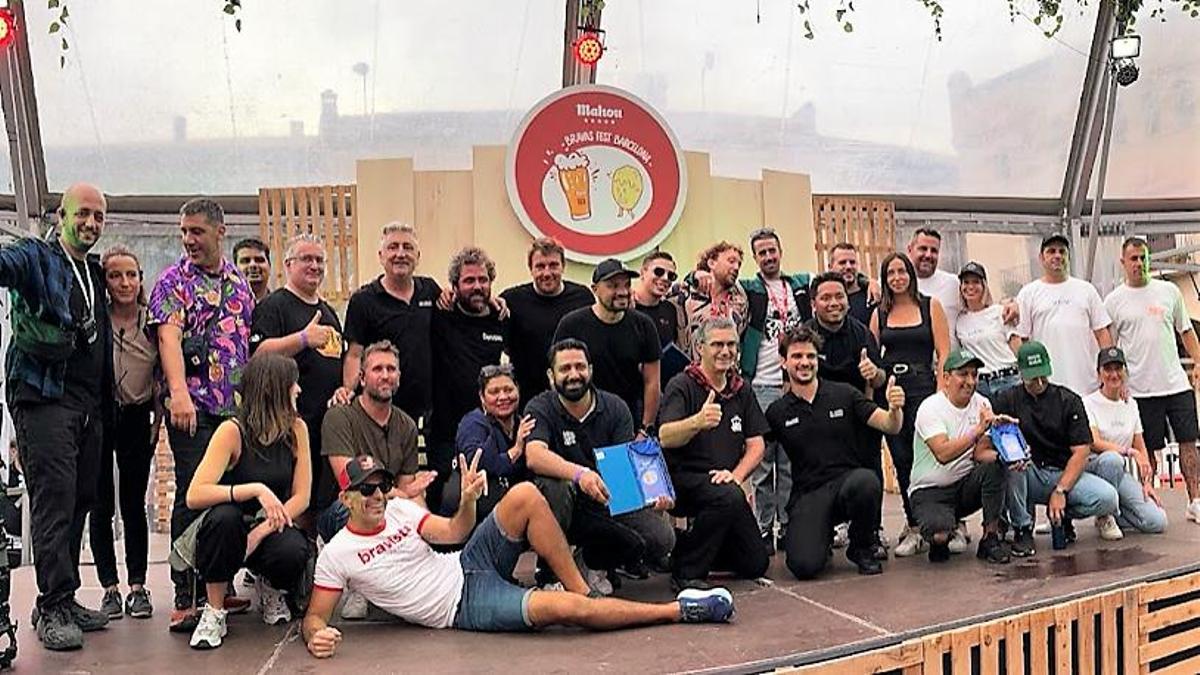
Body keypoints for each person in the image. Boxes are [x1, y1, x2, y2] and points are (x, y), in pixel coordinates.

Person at [302, 455, 734, 659]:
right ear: (346, 497)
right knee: (563, 611)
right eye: (366, 489)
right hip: (461, 606)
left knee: (525, 493)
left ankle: (585, 592)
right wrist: (315, 635)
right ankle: (678, 610)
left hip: (465, 561)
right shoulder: (339, 554)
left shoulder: (399, 507)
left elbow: (454, 531)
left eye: (381, 485)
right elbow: (315, 618)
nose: (377, 495)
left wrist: (469, 500)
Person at [1, 183, 113, 650]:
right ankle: (50, 608)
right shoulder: (36, 257)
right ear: (61, 214)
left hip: (87, 404)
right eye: (82, 214)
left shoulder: (92, 269)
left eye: (98, 217)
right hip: (43, 399)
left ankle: (62, 599)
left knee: (80, 497)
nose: (90, 223)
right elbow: (7, 265)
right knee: (54, 499)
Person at [149, 197, 256, 631]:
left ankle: (219, 585)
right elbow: (168, 340)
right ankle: (184, 592)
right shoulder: (172, 281)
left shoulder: (239, 284)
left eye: (197, 231)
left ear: (220, 231)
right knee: (194, 495)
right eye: (184, 232)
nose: (189, 240)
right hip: (193, 409)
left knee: (228, 500)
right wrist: (178, 393)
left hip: (235, 414)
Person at [181, 353, 313, 649]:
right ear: (275, 388)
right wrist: (253, 489)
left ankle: (269, 585)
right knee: (223, 518)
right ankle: (214, 610)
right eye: (293, 384)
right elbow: (195, 494)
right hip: (230, 530)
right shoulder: (232, 431)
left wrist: (261, 530)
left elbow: (302, 497)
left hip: (266, 528)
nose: (299, 390)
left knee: (293, 548)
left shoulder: (297, 430)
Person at [524, 339, 675, 591]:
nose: (574, 375)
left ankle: (591, 561)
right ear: (551, 376)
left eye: (580, 367)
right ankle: (551, 571)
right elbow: (534, 456)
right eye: (565, 369)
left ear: (591, 370)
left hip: (605, 499)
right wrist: (580, 474)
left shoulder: (615, 408)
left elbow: (622, 477)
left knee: (662, 538)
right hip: (567, 501)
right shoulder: (540, 406)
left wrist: (653, 499)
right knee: (553, 487)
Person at [765, 327, 905, 579]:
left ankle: (861, 547)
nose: (804, 362)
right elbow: (755, 449)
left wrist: (895, 409)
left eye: (810, 356)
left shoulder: (844, 394)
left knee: (866, 481)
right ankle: (821, 536)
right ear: (783, 362)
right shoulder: (777, 411)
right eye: (797, 356)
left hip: (847, 485)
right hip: (808, 494)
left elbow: (888, 424)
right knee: (804, 567)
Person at [659, 318, 770, 590]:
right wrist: (697, 422)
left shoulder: (740, 389)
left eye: (731, 344)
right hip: (685, 481)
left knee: (755, 563)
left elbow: (757, 444)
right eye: (717, 344)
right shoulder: (682, 384)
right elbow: (665, 436)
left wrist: (736, 475)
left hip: (725, 483)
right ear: (700, 348)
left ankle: (683, 546)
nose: (725, 351)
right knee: (727, 496)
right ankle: (686, 572)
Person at [985, 341, 1121, 557]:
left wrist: (1061, 490)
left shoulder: (1069, 400)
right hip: (1029, 472)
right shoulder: (1006, 399)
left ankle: (1062, 515)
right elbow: (990, 442)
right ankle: (1022, 527)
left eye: (1042, 375)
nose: (1039, 382)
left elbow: (1082, 451)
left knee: (1108, 497)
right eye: (1032, 377)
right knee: (1012, 463)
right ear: (1020, 373)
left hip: (1063, 472)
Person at [250, 234, 345, 530]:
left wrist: (343, 388)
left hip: (324, 424)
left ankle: (310, 563)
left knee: (318, 498)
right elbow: (258, 354)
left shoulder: (329, 313)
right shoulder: (274, 306)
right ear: (288, 265)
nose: (314, 265)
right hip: (286, 423)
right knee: (293, 496)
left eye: (319, 260)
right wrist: (302, 339)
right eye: (307, 259)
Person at [1104, 237, 1200, 524]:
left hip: (1176, 385)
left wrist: (1198, 362)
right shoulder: (1114, 301)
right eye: (1133, 259)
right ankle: (1151, 501)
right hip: (1141, 391)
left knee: (1188, 443)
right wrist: (1115, 383)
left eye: (1143, 258)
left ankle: (1195, 501)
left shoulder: (1169, 291)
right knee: (1149, 451)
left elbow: (1186, 332)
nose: (1139, 264)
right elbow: (1111, 348)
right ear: (1123, 263)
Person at [89, 245, 159, 621]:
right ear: (105, 281)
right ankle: (109, 587)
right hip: (101, 416)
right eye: (115, 275)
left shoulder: (152, 323)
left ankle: (137, 585)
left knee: (133, 503)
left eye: (131, 274)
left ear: (140, 279)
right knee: (100, 503)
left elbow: (163, 376)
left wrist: (158, 422)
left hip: (137, 416)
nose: (124, 282)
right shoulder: (96, 320)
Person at [870, 252, 950, 557]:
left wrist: (941, 393)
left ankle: (944, 521)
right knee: (901, 458)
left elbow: (943, 352)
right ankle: (914, 525)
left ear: (910, 274)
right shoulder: (880, 312)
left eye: (901, 271)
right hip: (892, 391)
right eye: (890, 273)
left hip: (924, 389)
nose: (897, 278)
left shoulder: (931, 306)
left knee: (929, 454)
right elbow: (872, 353)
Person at [804, 271, 888, 555]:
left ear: (848, 301)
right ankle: (822, 531)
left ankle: (868, 536)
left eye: (839, 296)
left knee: (870, 476)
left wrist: (872, 372)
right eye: (825, 298)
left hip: (858, 418)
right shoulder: (805, 336)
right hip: (819, 423)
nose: (833, 303)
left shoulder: (861, 333)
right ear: (814, 303)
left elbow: (880, 379)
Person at [738, 229, 811, 552]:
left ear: (781, 251)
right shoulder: (749, 289)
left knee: (792, 461)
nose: (769, 257)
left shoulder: (799, 285)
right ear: (755, 258)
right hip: (762, 384)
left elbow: (842, 276)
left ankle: (790, 525)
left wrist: (870, 283)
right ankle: (764, 528)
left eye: (772, 251)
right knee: (764, 462)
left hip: (793, 385)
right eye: (762, 253)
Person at [317, 341, 431, 544]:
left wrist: (425, 524)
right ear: (361, 378)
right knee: (358, 506)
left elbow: (408, 488)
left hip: (387, 506)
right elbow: (350, 482)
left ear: (399, 377)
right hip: (342, 507)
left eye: (391, 369)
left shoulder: (407, 425)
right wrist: (404, 495)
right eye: (377, 369)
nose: (385, 375)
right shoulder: (339, 416)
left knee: (418, 519)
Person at [909, 349, 1011, 564]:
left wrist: (1010, 454)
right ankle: (941, 537)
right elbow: (943, 453)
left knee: (996, 466)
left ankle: (990, 537)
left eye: (974, 375)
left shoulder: (982, 403)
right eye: (963, 374)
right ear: (946, 378)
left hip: (964, 485)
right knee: (939, 534)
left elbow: (980, 453)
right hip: (929, 490)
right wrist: (977, 431)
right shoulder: (931, 407)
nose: (970, 381)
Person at [428, 246, 506, 512]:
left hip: (487, 433)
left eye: (483, 280)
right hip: (445, 433)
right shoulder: (441, 315)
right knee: (449, 499)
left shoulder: (501, 318)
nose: (477, 286)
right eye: (469, 280)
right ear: (454, 285)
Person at [342, 223, 441, 424]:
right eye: (393, 247)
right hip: (381, 405)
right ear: (381, 255)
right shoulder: (363, 300)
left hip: (427, 408)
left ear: (418, 256)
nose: (400, 253)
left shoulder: (429, 290)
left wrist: (493, 301)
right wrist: (348, 391)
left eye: (408, 247)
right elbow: (354, 354)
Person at [553, 259, 661, 433]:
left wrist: (645, 428)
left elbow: (652, 382)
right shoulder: (571, 324)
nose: (622, 292)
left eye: (626, 285)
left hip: (629, 420)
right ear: (595, 289)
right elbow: (557, 375)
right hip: (582, 419)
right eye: (613, 286)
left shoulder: (643, 325)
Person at [1082, 347, 1168, 535]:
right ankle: (1104, 515)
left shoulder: (1131, 404)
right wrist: (1128, 451)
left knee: (1157, 522)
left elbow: (1141, 446)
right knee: (1112, 459)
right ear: (1099, 374)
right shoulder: (1088, 402)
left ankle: (1116, 512)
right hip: (1094, 468)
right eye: (1108, 369)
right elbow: (1094, 442)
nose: (1114, 374)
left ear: (1125, 372)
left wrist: (1147, 482)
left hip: (1119, 472)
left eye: (1118, 368)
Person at [1015, 234, 1113, 396]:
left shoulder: (1086, 290)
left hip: (1087, 387)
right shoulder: (1028, 293)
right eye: (1051, 251)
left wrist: (1108, 372)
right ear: (1041, 258)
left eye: (1062, 251)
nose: (1057, 256)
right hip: (1047, 388)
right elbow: (1022, 340)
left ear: (1068, 256)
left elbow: (1102, 334)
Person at [500, 238, 593, 403]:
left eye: (553, 265)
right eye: (540, 266)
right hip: (527, 400)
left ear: (563, 266)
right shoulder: (511, 300)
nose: (547, 273)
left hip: (574, 397)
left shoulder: (583, 297)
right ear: (531, 269)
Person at [441, 364, 535, 522]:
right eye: (494, 392)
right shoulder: (473, 422)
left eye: (508, 390)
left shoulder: (524, 423)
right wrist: (516, 450)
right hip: (473, 512)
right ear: (482, 397)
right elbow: (479, 463)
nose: (503, 397)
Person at [955, 262, 1022, 401]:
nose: (970, 287)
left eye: (975, 282)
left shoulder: (1000, 312)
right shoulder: (959, 321)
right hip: (980, 385)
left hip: (1008, 380)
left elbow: (1017, 347)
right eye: (966, 282)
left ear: (984, 286)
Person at [681, 242, 750, 356]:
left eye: (739, 264)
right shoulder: (688, 293)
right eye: (731, 261)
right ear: (712, 263)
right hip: (692, 369)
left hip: (727, 369)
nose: (736, 267)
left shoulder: (740, 300)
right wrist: (692, 277)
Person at [908, 228, 962, 346]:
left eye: (934, 251)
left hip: (950, 362)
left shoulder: (953, 283)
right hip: (913, 361)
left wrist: (1011, 305)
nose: (928, 255)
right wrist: (868, 282)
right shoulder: (896, 283)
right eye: (923, 249)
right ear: (910, 250)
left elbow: (981, 303)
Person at [633, 250, 686, 350]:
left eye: (671, 276)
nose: (665, 278)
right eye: (659, 272)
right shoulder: (626, 307)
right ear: (642, 272)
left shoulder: (670, 309)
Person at [829, 242, 877, 326]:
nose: (848, 267)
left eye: (852, 262)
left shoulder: (871, 297)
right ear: (830, 267)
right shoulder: (825, 299)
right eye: (842, 262)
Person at [233, 237, 272, 303]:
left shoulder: (282, 306)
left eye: (259, 260)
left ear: (269, 266)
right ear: (234, 269)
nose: (253, 265)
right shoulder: (224, 308)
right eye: (246, 261)